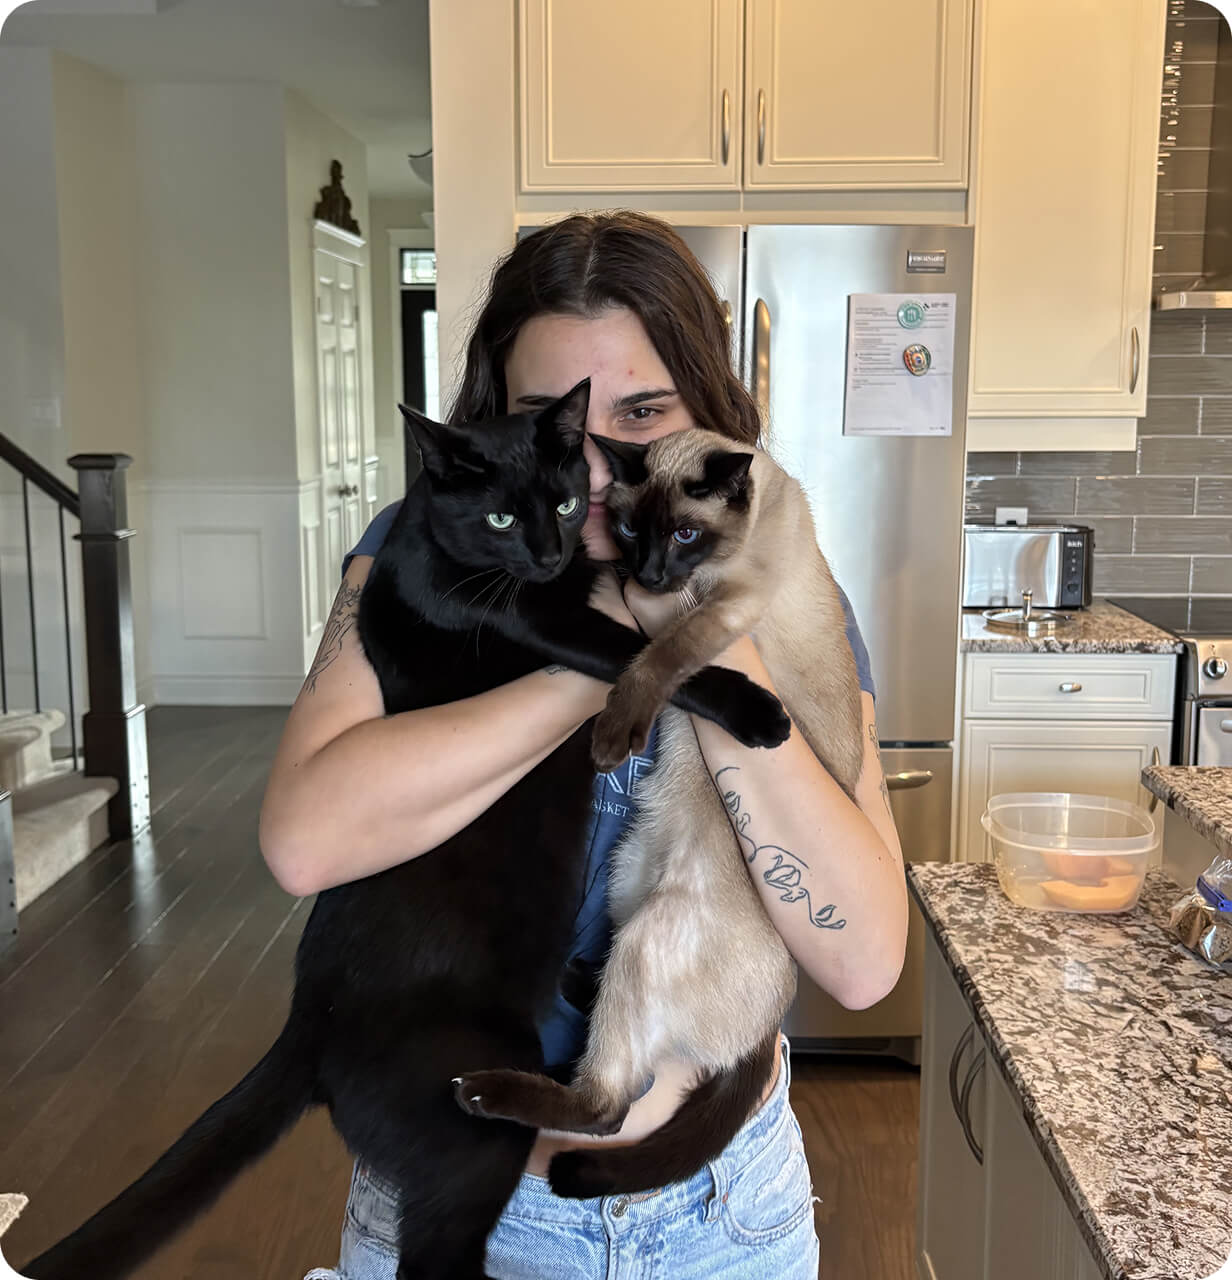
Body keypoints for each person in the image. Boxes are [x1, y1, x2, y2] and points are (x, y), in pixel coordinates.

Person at [260, 211, 908, 1279]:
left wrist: (715, 651)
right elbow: (303, 840)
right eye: (552, 417)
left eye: (645, 412)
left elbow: (861, 955)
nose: (601, 469)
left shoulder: (790, 592)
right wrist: (604, 663)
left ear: (707, 410)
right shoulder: (419, 554)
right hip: (449, 1198)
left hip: (717, 1217)